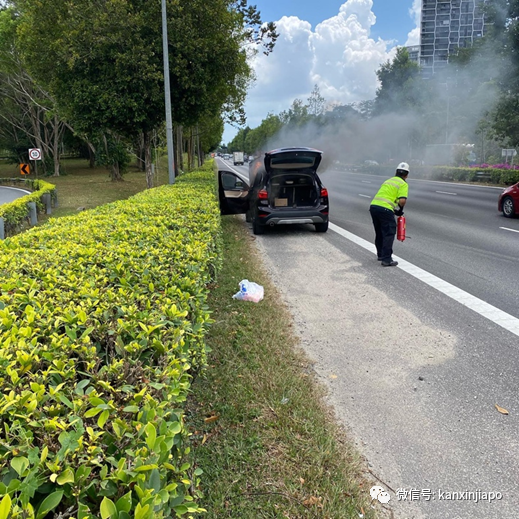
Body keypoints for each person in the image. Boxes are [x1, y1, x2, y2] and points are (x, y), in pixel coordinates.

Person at [369, 162, 409, 267]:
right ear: (406, 175)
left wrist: (394, 211)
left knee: (379, 232)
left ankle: (381, 255)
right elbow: (402, 201)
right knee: (389, 233)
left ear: (396, 172)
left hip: (374, 206)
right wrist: (400, 210)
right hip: (385, 209)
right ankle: (387, 259)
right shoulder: (403, 184)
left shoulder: (388, 180)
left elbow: (386, 197)